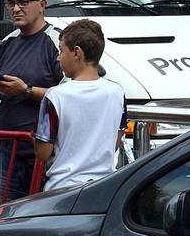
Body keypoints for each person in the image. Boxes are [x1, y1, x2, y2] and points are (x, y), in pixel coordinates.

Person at [0, 0, 61, 203]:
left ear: (42, 5)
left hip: (48, 153)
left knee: (43, 215)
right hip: (10, 151)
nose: (16, 9)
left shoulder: (55, 41)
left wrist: (26, 90)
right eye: (11, 3)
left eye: (23, 2)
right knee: (8, 215)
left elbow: (72, 96)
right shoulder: (8, 41)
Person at [34, 20, 126, 191]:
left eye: (61, 50)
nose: (58, 57)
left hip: (62, 188)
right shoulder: (117, 92)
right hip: (104, 187)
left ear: (76, 52)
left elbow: (43, 152)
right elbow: (116, 141)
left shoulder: (55, 95)